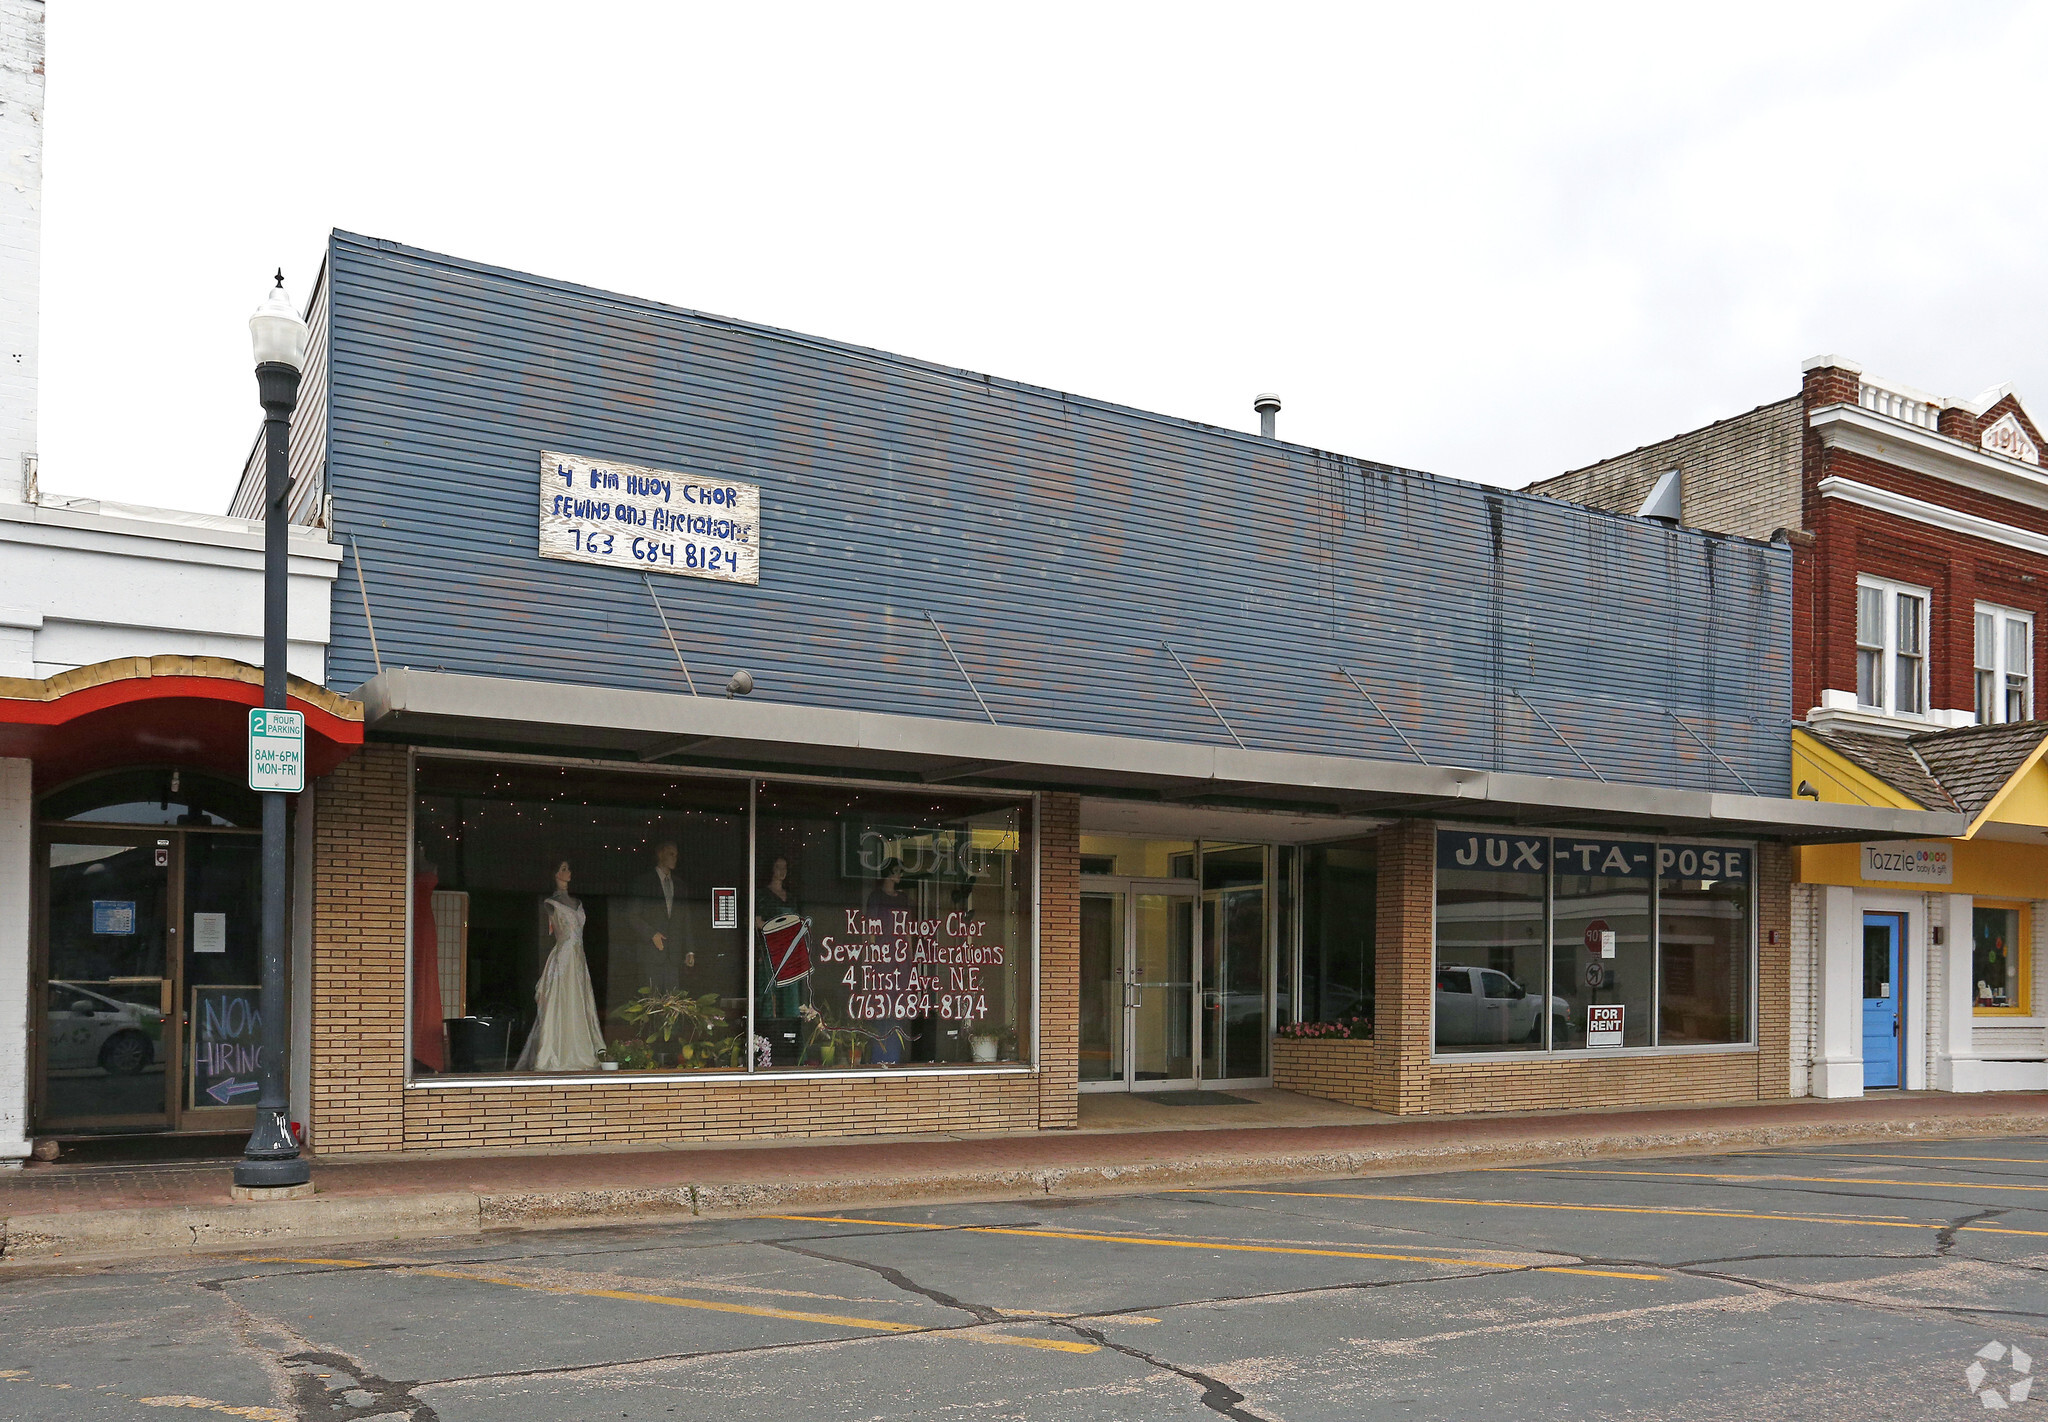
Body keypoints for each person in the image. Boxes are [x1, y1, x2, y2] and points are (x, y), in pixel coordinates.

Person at [514, 859, 605, 1072]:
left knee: (580, 1001)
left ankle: (580, 1048)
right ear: (555, 874)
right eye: (563, 869)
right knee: (563, 1000)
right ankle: (558, 1052)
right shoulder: (551, 903)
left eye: (568, 868)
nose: (568, 871)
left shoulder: (576, 902)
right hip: (564, 956)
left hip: (578, 958)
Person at [625, 841, 691, 998]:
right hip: (650, 955)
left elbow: (686, 919)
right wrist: (651, 934)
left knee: (673, 1004)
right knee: (651, 1003)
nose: (675, 858)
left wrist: (689, 950)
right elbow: (632, 915)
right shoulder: (644, 882)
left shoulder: (680, 885)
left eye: (676, 855)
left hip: (673, 956)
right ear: (660, 854)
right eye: (671, 854)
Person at [864, 859, 913, 1063]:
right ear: (887, 873)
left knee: (898, 1003)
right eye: (895, 871)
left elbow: (908, 928)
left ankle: (894, 1054)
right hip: (883, 956)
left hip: (900, 957)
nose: (899, 876)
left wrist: (910, 956)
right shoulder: (876, 897)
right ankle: (880, 1055)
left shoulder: (903, 898)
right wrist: (873, 955)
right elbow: (870, 929)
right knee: (881, 1003)